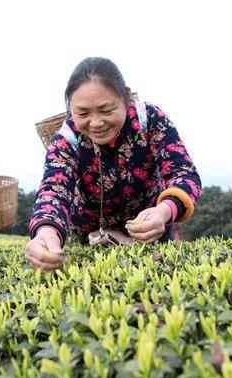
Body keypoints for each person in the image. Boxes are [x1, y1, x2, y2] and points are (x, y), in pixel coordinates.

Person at [25, 57, 202, 271]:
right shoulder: (66, 140)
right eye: (83, 113)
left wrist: (164, 211)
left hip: (151, 229)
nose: (96, 123)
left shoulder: (150, 119)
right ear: (70, 108)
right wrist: (46, 232)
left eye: (107, 110)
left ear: (125, 98)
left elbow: (183, 173)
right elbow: (53, 192)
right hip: (92, 238)